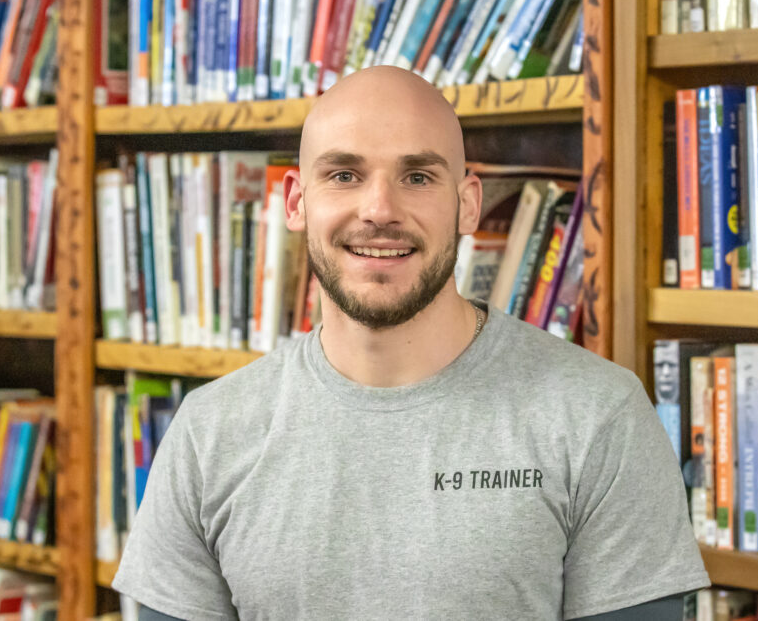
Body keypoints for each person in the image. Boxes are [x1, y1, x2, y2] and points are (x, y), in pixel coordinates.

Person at [112, 66, 709, 620]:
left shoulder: (598, 416)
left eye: (417, 176)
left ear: (467, 203)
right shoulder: (207, 433)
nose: (379, 209)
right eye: (344, 174)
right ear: (296, 200)